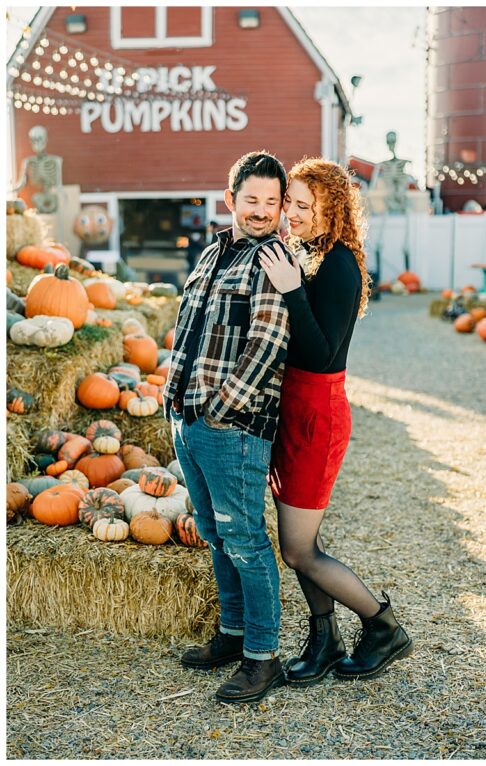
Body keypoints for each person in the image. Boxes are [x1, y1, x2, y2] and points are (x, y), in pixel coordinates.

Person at [257, 157, 412, 686]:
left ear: (331, 208)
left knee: (301, 548)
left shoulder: (341, 264)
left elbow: (322, 355)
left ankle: (383, 627)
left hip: (317, 415)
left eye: (304, 205)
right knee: (294, 543)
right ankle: (324, 641)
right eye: (290, 203)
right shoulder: (311, 253)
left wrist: (291, 291)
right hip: (294, 408)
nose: (291, 214)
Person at [164, 151, 291, 703]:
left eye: (271, 201)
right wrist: (176, 401)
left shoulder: (273, 259)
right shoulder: (212, 250)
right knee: (215, 535)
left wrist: (221, 406)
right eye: (252, 200)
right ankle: (233, 635)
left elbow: (269, 343)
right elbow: (187, 326)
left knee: (245, 540)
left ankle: (263, 657)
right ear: (231, 199)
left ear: (282, 206)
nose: (261, 211)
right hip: (186, 418)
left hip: (232, 425)